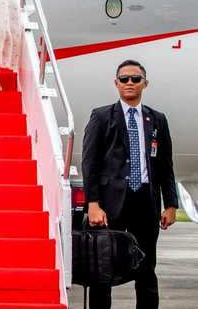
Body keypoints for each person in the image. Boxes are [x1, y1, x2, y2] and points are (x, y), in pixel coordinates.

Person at [82, 59, 178, 309]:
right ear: (116, 83)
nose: (129, 83)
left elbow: (165, 164)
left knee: (146, 269)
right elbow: (90, 164)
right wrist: (93, 204)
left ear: (145, 83)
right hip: (109, 205)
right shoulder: (102, 116)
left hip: (145, 201)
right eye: (124, 79)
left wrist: (171, 204)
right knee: (102, 271)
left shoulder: (157, 119)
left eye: (135, 79)